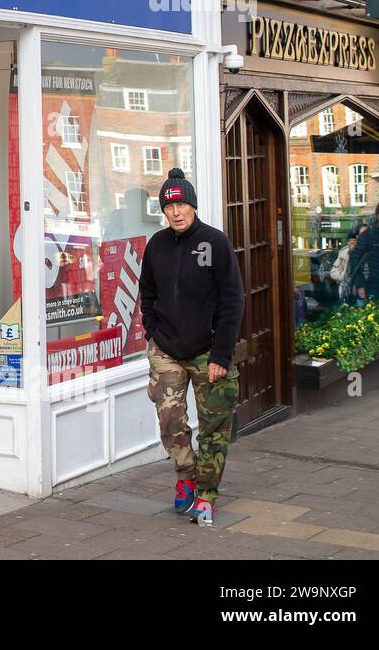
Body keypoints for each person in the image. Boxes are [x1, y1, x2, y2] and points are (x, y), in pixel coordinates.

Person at [138, 168, 245, 527]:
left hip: (208, 351)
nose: (176, 212)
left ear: (193, 205)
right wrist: (152, 331)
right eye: (169, 207)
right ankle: (186, 475)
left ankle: (207, 495)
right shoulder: (156, 245)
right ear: (163, 212)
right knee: (170, 421)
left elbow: (233, 300)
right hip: (166, 348)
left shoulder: (215, 242)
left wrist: (221, 355)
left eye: (182, 204)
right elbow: (148, 294)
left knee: (215, 425)